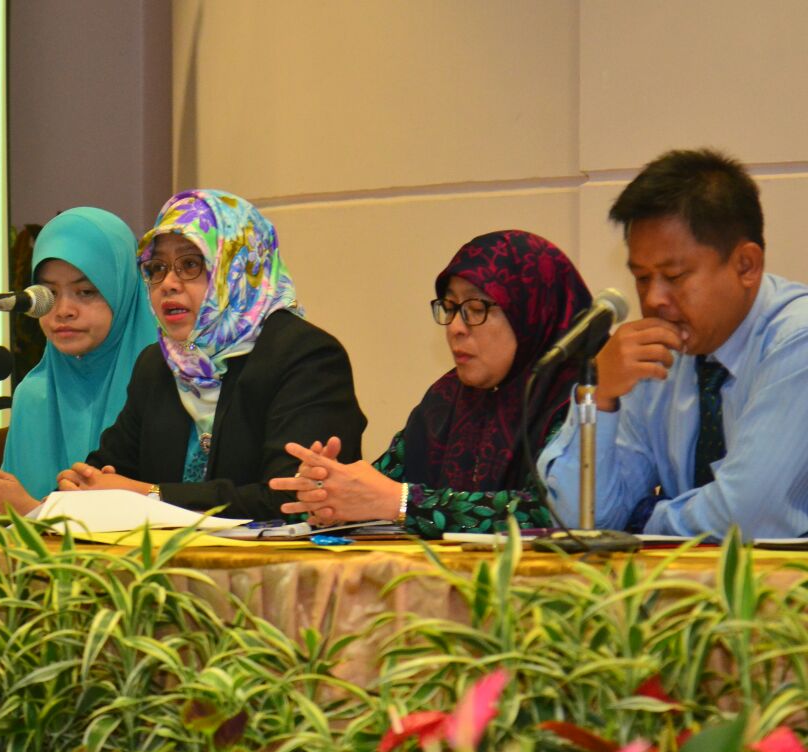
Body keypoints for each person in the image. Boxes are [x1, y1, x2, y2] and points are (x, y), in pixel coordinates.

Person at [538, 148, 808, 539]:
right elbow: (583, 520)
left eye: (675, 276)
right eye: (642, 278)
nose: (654, 300)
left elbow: (747, 516)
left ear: (746, 265)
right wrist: (600, 395)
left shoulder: (796, 341)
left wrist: (644, 520)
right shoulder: (658, 354)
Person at [56, 189, 367, 519]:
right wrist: (81, 484)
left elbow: (290, 496)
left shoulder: (306, 356)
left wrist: (149, 495)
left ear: (239, 266)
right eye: (157, 267)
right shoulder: (160, 363)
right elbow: (111, 466)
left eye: (190, 264)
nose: (168, 283)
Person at [271, 230, 593, 537]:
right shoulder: (447, 398)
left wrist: (401, 504)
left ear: (534, 311)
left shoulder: (582, 398)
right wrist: (327, 492)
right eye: (450, 308)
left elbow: (553, 514)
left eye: (476, 309)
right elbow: (380, 487)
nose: (455, 328)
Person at [0, 207, 153, 518]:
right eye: (49, 293)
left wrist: (31, 510)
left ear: (124, 290)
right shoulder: (34, 394)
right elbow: (10, 524)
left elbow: (175, 517)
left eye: (86, 292)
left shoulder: (166, 388)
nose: (63, 310)